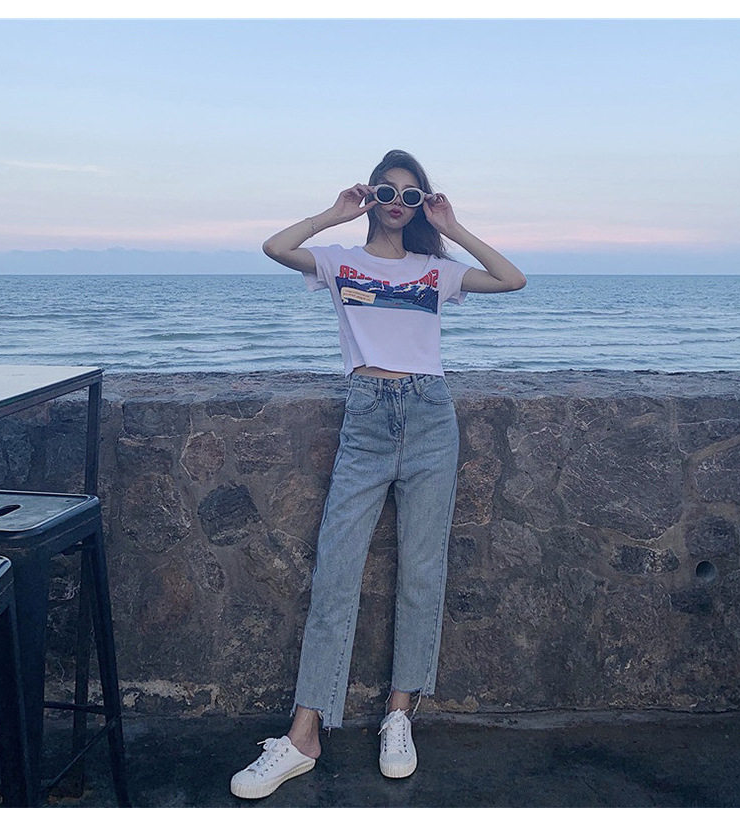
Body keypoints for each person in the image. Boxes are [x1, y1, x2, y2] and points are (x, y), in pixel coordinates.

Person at [230, 149, 526, 799]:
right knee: (335, 573)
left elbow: (512, 279)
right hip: (366, 418)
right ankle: (303, 735)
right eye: (386, 191)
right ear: (371, 197)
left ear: (422, 203)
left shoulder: (434, 270)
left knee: (421, 571)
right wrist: (335, 214)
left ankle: (399, 715)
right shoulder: (342, 262)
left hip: (430, 418)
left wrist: (451, 227)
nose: (397, 202)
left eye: (410, 194)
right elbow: (276, 247)